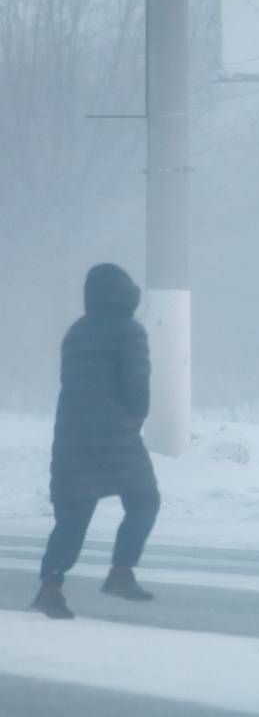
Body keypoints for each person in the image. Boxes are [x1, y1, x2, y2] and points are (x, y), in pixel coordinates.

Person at [32, 263, 161, 619]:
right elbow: (137, 386)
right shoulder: (129, 331)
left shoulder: (76, 332)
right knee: (145, 499)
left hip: (72, 438)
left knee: (73, 517)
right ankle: (121, 572)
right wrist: (137, 416)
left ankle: (50, 586)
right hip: (115, 437)